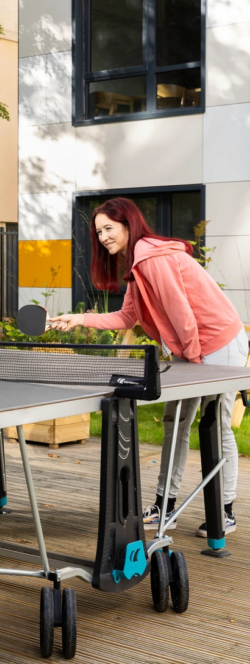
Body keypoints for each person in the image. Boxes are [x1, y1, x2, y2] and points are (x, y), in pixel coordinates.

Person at [50, 197, 247, 537]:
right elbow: (128, 316)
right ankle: (163, 505)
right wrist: (77, 318)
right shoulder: (136, 264)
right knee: (176, 422)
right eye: (98, 232)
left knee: (215, 423)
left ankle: (224, 510)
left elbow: (182, 313)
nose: (103, 237)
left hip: (219, 343)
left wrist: (193, 363)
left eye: (108, 229)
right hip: (194, 346)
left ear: (127, 224)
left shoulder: (151, 258)